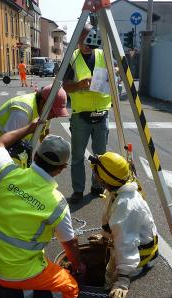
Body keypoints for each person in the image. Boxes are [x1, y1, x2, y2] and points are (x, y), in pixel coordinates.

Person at [0, 123, 86, 298]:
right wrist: (79, 266)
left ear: (35, 155)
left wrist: (29, 128)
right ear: (62, 169)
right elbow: (70, 244)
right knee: (70, 289)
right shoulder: (57, 203)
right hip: (17, 272)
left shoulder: (6, 172)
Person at [89, 152, 159, 298]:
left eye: (96, 173)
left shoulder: (126, 205)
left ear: (104, 179)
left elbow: (127, 242)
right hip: (129, 244)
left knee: (109, 281)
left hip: (139, 256)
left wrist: (122, 278)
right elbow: (115, 224)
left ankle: (122, 275)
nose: (95, 175)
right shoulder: (118, 187)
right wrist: (106, 236)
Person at [63, 23, 112, 204]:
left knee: (100, 156)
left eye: (88, 37)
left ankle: (97, 186)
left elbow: (116, 79)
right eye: (81, 39)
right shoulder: (71, 58)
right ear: (76, 40)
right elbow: (65, 86)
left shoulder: (103, 55)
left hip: (102, 113)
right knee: (77, 156)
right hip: (80, 115)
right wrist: (78, 85)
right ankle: (78, 190)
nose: (85, 42)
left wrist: (114, 73)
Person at [0, 85, 69, 172]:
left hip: (16, 148)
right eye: (54, 112)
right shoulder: (22, 111)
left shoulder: (45, 111)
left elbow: (44, 134)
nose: (56, 116)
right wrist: (29, 129)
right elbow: (7, 144)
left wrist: (54, 153)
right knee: (6, 182)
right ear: (43, 103)